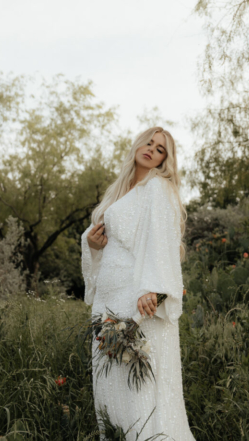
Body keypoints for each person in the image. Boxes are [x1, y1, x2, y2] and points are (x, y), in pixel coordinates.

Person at [81, 127, 196, 440]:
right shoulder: (118, 192)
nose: (151, 149)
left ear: (164, 161)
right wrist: (92, 244)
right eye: (149, 142)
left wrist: (155, 294)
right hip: (107, 304)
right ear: (137, 144)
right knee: (111, 394)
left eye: (160, 149)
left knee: (141, 396)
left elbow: (165, 245)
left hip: (137, 305)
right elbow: (109, 244)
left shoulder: (157, 188)